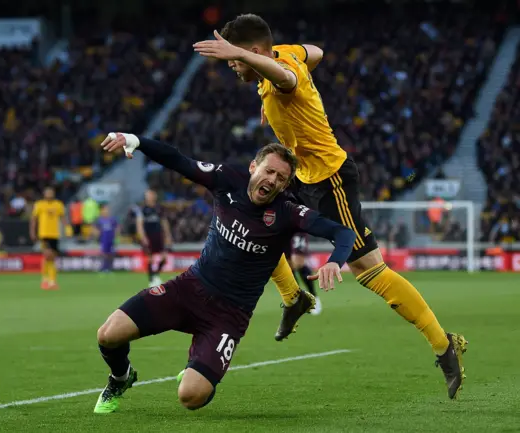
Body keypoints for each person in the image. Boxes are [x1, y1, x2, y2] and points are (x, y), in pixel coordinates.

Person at [193, 14, 467, 399]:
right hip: (302, 175)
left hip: (329, 178)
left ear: (253, 52)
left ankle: (443, 345)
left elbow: (287, 77)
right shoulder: (283, 55)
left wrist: (262, 74)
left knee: (369, 271)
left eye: (235, 60)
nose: (233, 67)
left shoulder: (279, 70)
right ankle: (295, 298)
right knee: (255, 221)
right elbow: (316, 53)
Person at [93, 132, 355, 413]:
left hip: (229, 316)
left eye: (281, 178)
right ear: (254, 167)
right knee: (108, 334)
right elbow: (178, 160)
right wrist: (137, 141)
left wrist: (334, 261)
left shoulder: (288, 212)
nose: (272, 180)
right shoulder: (227, 179)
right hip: (189, 289)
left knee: (191, 397)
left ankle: (199, 365)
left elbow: (343, 233)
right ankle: (121, 377)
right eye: (269, 171)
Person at [29, 187, 70, 290]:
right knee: (48, 255)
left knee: (53, 257)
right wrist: (32, 232)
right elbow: (34, 219)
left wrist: (67, 228)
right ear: (44, 194)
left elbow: (63, 217)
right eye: (47, 192)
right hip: (44, 234)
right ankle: (45, 280)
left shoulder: (58, 205)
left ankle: (52, 281)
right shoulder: (39, 205)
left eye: (51, 192)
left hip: (55, 234)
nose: (49, 194)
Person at [135, 189, 173, 286]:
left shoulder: (159, 208)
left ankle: (156, 275)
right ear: (146, 197)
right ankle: (151, 280)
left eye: (152, 195)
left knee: (164, 257)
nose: (151, 196)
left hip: (159, 236)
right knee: (150, 258)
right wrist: (143, 237)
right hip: (148, 236)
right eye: (149, 195)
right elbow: (139, 224)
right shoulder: (142, 209)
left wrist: (168, 235)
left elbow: (164, 222)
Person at [289, 233, 321, 314]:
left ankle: (313, 298)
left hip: (297, 229)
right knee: (288, 266)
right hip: (281, 229)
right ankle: (297, 299)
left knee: (298, 263)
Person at [95, 204, 119, 273]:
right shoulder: (100, 220)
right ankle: (104, 267)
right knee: (104, 253)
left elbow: (117, 227)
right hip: (104, 239)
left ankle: (110, 267)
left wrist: (116, 235)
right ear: (102, 211)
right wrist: (97, 235)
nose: (106, 211)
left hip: (111, 239)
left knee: (111, 253)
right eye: (105, 209)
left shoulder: (112, 219)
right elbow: (96, 228)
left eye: (107, 210)